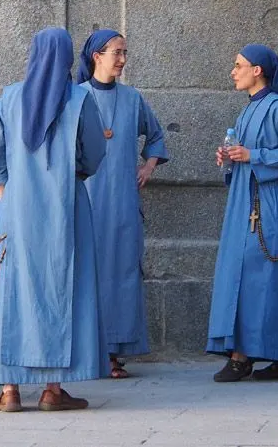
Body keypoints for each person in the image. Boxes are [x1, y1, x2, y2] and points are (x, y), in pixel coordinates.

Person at [0, 27, 107, 413]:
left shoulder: (11, 97)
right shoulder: (80, 98)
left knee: (15, 291)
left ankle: (10, 390)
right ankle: (53, 389)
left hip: (18, 210)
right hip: (66, 207)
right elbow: (93, 154)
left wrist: (9, 196)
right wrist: (71, 172)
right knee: (60, 289)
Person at [206, 44, 278, 382]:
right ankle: (252, 353)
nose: (233, 72)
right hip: (245, 200)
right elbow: (247, 154)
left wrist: (252, 156)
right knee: (244, 274)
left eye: (239, 65)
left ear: (258, 70)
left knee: (267, 277)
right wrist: (230, 158)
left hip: (269, 203)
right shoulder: (248, 109)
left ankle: (269, 357)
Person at [76, 29, 169, 378]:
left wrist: (148, 166)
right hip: (86, 200)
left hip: (123, 204)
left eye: (125, 52)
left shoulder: (132, 99)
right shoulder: (76, 97)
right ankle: (87, 351)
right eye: (116, 52)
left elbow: (155, 136)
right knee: (88, 274)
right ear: (96, 56)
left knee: (122, 274)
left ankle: (114, 353)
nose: (122, 59)